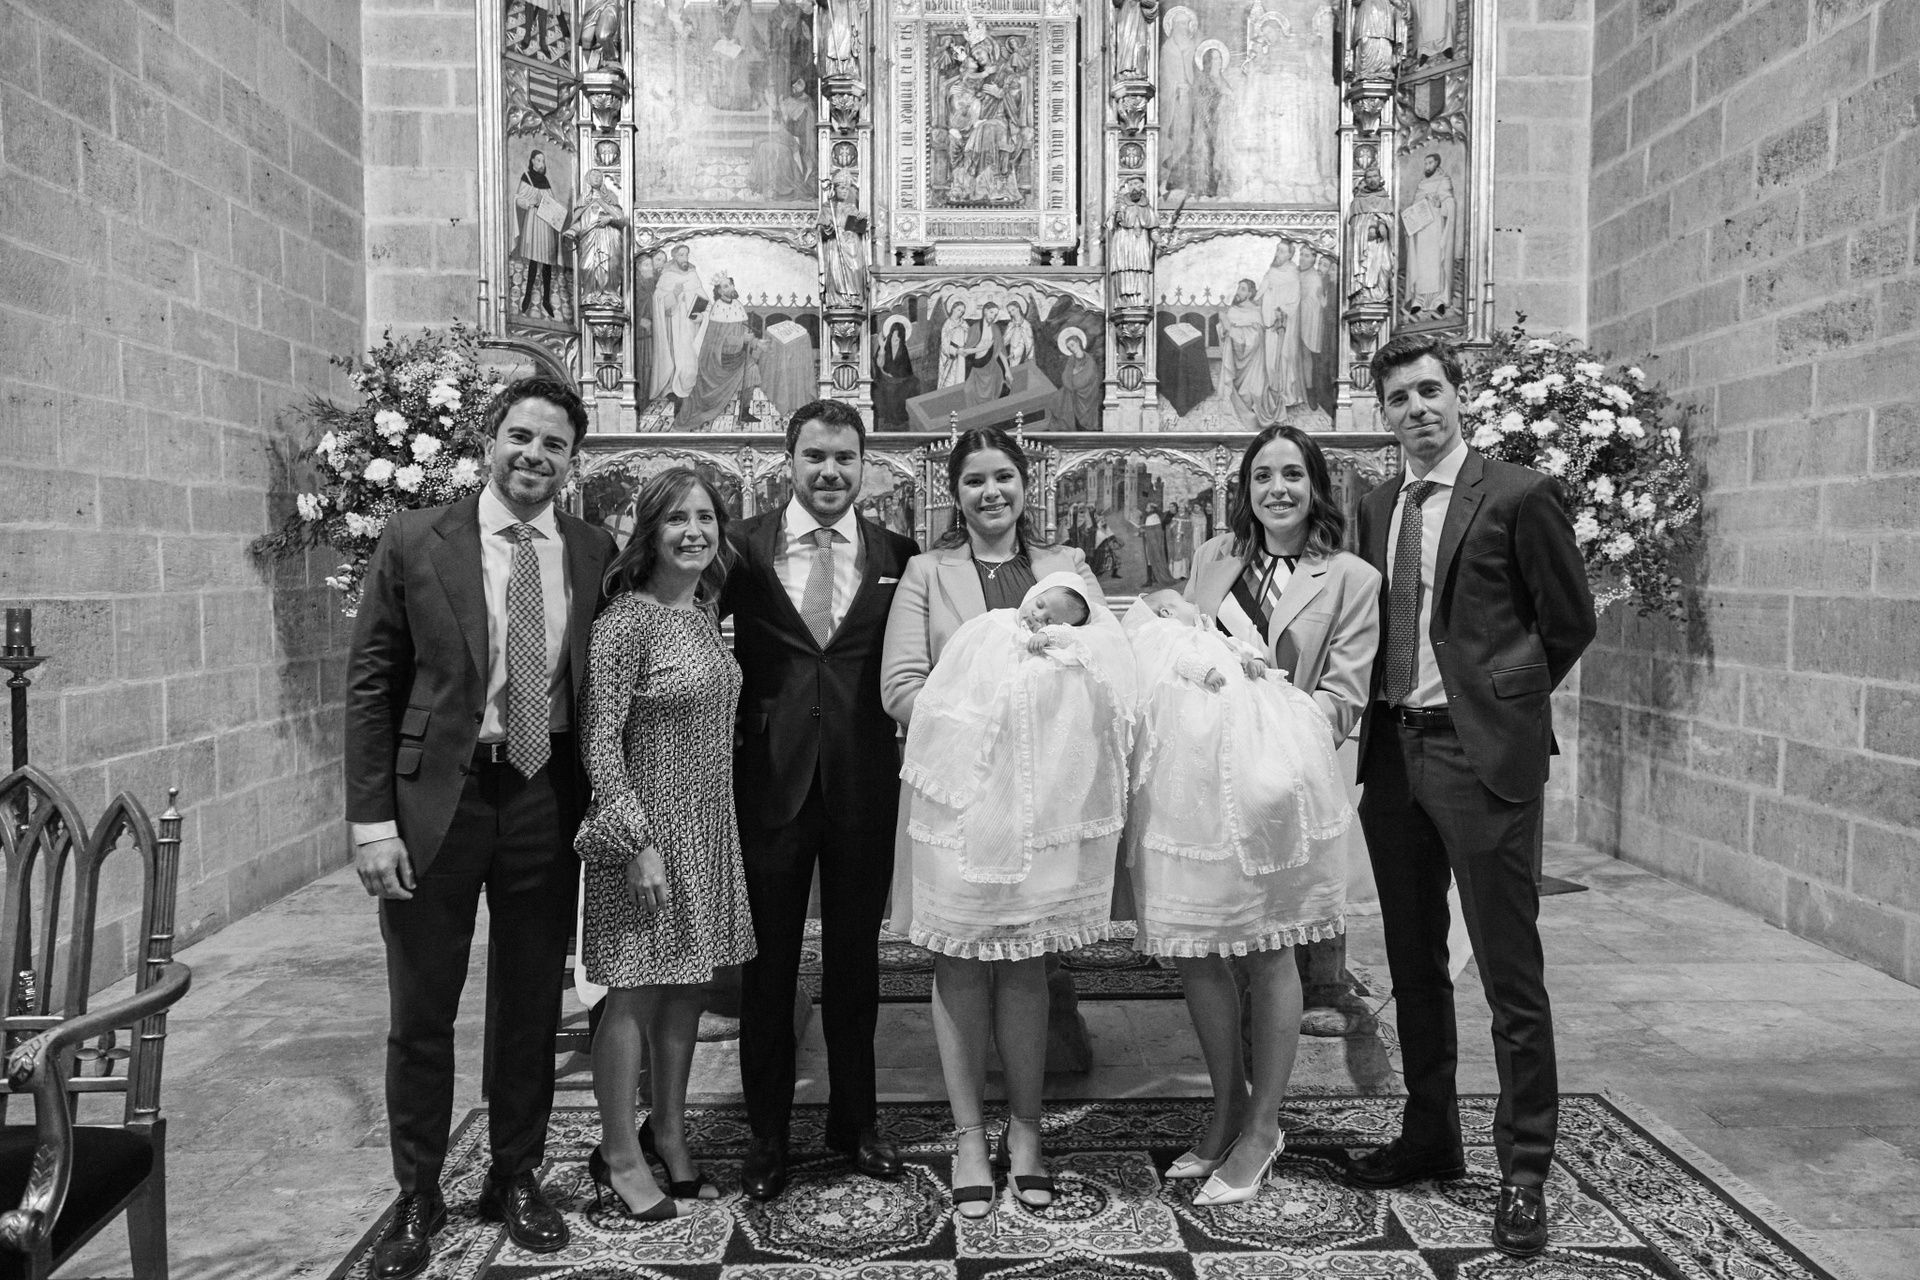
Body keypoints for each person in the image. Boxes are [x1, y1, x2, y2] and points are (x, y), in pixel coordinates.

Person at [345, 378, 617, 1279]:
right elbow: (372, 685)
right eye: (520, 437)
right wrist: (372, 822)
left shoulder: (592, 548)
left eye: (554, 444)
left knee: (531, 1000)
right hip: (439, 801)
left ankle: (515, 1174)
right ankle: (419, 1190)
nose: (534, 455)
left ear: (572, 460)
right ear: (490, 441)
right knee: (422, 1006)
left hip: (545, 794)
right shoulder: (416, 538)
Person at [1341, 334, 1595, 1259]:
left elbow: (1569, 620)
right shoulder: (1377, 506)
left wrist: (1503, 704)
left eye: (1430, 391)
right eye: (1399, 398)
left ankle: (1524, 1169)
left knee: (1506, 971)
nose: (1417, 409)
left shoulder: (1519, 495)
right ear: (1384, 413)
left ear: (1459, 396)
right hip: (1394, 756)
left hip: (1479, 756)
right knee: (1412, 964)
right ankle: (1429, 1135)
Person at [881, 428, 1109, 1220]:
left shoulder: (1066, 568)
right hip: (957, 795)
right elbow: (900, 687)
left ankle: (1028, 1133)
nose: (991, 492)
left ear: (1025, 483)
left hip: (1041, 799)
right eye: (975, 480)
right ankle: (969, 1137)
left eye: (1004, 476)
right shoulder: (926, 572)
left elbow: (1106, 664)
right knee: (958, 962)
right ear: (954, 492)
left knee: (1024, 962)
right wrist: (987, 721)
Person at [721, 400, 922, 1201]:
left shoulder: (897, 554)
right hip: (768, 781)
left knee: (855, 965)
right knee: (767, 967)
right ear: (789, 461)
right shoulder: (741, 546)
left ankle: (855, 1122)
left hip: (863, 783)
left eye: (845, 457)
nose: (831, 471)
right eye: (816, 456)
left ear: (865, 465)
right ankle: (767, 1133)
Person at [1179, 424, 1382, 1204]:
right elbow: (1187, 650)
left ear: (1316, 485)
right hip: (1206, 780)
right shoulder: (1215, 557)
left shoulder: (1351, 578)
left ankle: (1264, 1127)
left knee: (1270, 950)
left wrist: (1265, 723)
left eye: (1293, 474)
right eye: (1262, 476)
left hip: (1286, 784)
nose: (1277, 489)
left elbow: (1344, 697)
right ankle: (1226, 1107)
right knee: (1200, 945)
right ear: (1246, 489)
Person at [575, 468, 756, 1221]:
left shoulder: (702, 610)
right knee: (632, 991)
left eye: (706, 518)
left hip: (705, 827)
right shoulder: (627, 620)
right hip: (646, 834)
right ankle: (618, 1153)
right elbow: (599, 738)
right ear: (649, 531)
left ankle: (670, 1133)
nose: (694, 531)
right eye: (677, 518)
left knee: (687, 988)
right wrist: (634, 842)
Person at [676, 272, 762, 429]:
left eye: (731, 284)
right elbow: (720, 342)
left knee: (752, 370)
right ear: (720, 291)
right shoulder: (717, 309)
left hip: (739, 356)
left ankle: (744, 412)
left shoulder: (738, 305)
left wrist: (755, 341)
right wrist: (742, 339)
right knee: (706, 398)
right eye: (726, 286)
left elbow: (744, 332)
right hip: (719, 362)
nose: (731, 288)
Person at [513, 150, 567, 318]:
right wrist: (529, 202)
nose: (541, 163)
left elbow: (551, 202)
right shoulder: (526, 177)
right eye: (538, 160)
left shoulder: (544, 181)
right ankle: (527, 297)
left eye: (543, 161)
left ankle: (546, 301)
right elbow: (518, 199)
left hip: (546, 223)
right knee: (533, 262)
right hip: (534, 221)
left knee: (547, 264)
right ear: (532, 161)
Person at [873, 316, 919, 430]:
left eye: (897, 339)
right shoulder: (884, 346)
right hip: (885, 377)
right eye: (893, 337)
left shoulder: (903, 349)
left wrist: (898, 377)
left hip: (901, 379)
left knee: (913, 384)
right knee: (889, 389)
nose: (895, 341)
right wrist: (882, 348)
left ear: (901, 338)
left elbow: (906, 369)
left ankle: (902, 417)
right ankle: (889, 418)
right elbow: (879, 365)